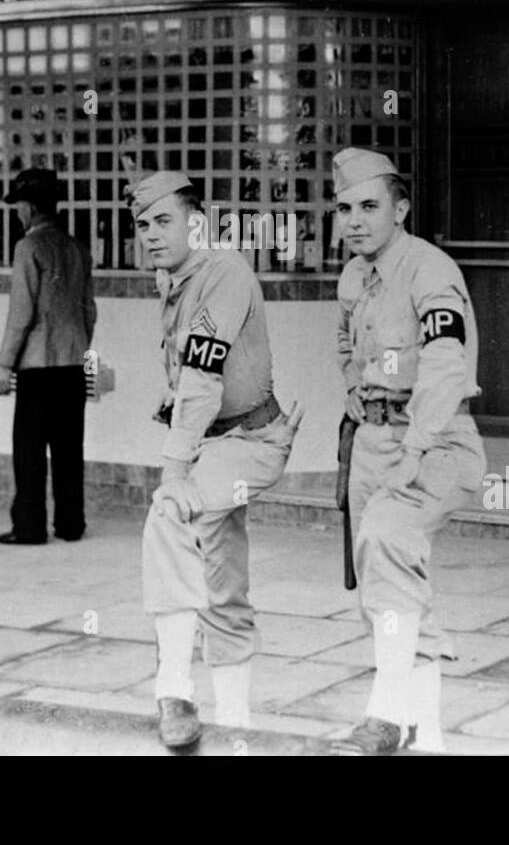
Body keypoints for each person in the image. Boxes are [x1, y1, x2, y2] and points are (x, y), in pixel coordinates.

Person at [131, 170, 303, 749]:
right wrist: (173, 400)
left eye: (164, 221)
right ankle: (236, 731)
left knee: (171, 514)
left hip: (250, 445)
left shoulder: (224, 272)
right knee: (222, 582)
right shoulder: (176, 275)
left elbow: (204, 373)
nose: (151, 235)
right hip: (218, 445)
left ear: (196, 223)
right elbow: (196, 370)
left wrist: (174, 469)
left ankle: (173, 686)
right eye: (142, 224)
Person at [328, 148, 487, 756]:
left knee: (390, 540)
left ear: (401, 208)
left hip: (437, 441)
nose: (355, 221)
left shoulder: (430, 270)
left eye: (369, 207)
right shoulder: (353, 277)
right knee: (388, 584)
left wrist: (413, 448)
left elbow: (446, 368)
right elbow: (346, 345)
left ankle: (385, 715)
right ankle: (427, 736)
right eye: (344, 209)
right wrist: (354, 396)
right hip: (371, 439)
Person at [0, 168, 97, 545]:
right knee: (69, 450)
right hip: (72, 367)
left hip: (36, 369)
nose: (17, 213)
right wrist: (78, 347)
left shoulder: (28, 248)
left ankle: (30, 527)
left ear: (32, 207)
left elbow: (21, 313)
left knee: (30, 452)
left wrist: (5, 365)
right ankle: (71, 525)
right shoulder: (76, 248)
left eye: (19, 205)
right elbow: (88, 311)